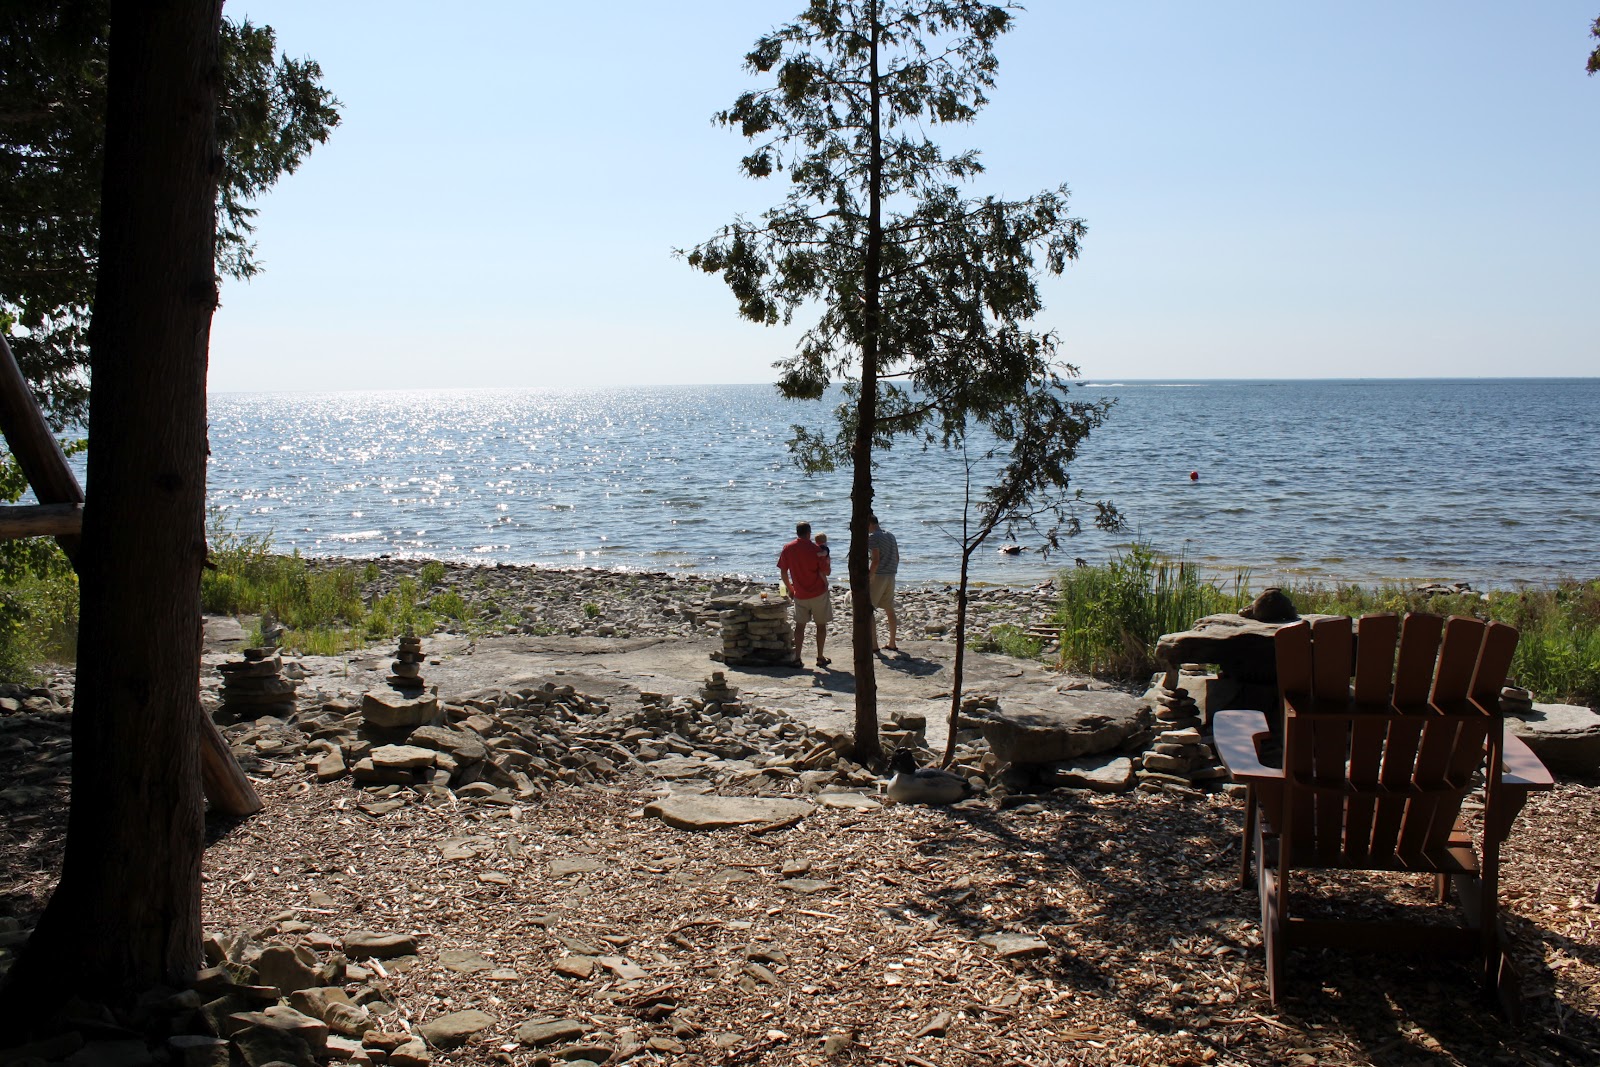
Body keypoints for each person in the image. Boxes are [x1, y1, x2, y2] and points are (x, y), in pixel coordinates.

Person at [777, 521, 832, 668]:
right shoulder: (816, 549)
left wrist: (790, 589)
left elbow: (783, 572)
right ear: (809, 533)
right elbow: (826, 572)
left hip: (800, 593)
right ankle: (820, 656)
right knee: (821, 625)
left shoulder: (788, 548)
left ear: (797, 532)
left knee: (800, 626)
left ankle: (797, 657)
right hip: (818, 593)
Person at [868, 513, 899, 652]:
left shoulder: (873, 537)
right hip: (891, 573)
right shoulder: (891, 535)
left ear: (869, 524)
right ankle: (892, 642)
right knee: (889, 608)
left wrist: (870, 576)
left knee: (869, 609)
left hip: (879, 575)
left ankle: (873, 645)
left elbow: (875, 559)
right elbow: (897, 557)